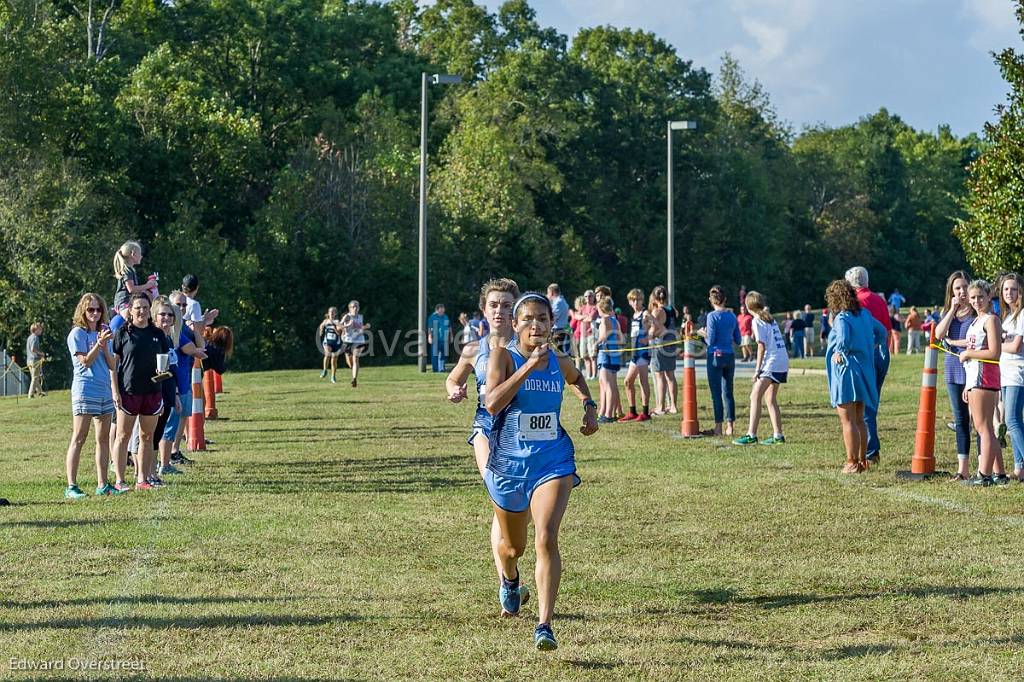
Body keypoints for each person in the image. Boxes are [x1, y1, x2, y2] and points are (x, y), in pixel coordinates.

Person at [483, 292, 599, 651]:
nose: (537, 325)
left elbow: (578, 378)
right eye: (529, 319)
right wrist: (528, 367)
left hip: (552, 458)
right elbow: (491, 402)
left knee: (546, 537)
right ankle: (511, 580)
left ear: (552, 323)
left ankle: (544, 625)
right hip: (509, 463)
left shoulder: (558, 359)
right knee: (512, 548)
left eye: (543, 319)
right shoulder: (504, 356)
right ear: (515, 325)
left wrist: (589, 406)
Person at [446, 278, 523, 602]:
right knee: (497, 494)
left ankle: (510, 569)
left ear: (516, 311)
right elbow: (453, 378)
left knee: (515, 517)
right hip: (487, 427)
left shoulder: (527, 348)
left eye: (506, 305)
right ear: (483, 309)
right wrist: (455, 390)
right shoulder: (474, 349)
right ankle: (508, 583)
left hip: (522, 433)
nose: (500, 311)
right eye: (494, 305)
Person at [110, 293, 172, 492]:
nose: (142, 311)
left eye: (145, 307)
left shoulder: (158, 334)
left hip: (152, 391)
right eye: (138, 307)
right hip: (128, 391)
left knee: (147, 436)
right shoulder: (123, 332)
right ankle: (120, 480)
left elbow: (164, 362)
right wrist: (115, 390)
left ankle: (142, 479)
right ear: (131, 309)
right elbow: (114, 365)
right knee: (123, 436)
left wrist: (162, 373)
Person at [825, 280, 886, 474]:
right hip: (865, 370)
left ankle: (851, 462)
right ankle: (862, 461)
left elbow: (842, 338)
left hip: (847, 372)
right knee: (860, 419)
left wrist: (839, 352)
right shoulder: (865, 315)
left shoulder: (842, 318)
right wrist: (871, 344)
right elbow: (882, 331)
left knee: (848, 420)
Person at [65, 294, 117, 498]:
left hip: (104, 388)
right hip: (85, 389)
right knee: (79, 437)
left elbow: (112, 365)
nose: (95, 314)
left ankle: (103, 484)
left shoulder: (104, 332)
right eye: (90, 310)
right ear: (83, 312)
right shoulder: (77, 334)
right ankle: (71, 486)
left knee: (103, 438)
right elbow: (85, 361)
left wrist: (105, 345)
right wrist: (99, 344)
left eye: (98, 310)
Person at [935, 271, 982, 482]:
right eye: (957, 288)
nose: (962, 292)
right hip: (953, 372)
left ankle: (983, 468)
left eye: (964, 287)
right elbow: (938, 334)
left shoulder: (977, 313)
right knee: (961, 421)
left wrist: (953, 343)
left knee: (980, 421)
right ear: (951, 291)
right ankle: (962, 470)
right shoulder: (949, 313)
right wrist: (952, 309)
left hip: (974, 373)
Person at [957, 280, 1004, 486]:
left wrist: (968, 353)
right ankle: (993, 474)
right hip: (975, 377)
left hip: (985, 376)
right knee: (982, 427)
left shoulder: (991, 320)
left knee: (984, 427)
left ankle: (984, 476)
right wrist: (968, 385)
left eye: (981, 297)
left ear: (988, 296)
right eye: (973, 297)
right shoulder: (976, 320)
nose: (977, 301)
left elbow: (995, 353)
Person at [845, 266, 892, 466]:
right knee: (871, 403)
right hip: (881, 353)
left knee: (864, 407)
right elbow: (887, 330)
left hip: (865, 355)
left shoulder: (855, 303)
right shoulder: (879, 300)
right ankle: (871, 449)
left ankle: (871, 451)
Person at [733, 291, 787, 445]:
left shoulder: (757, 321)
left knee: (754, 395)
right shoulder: (770, 318)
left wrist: (758, 370)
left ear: (749, 307)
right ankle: (778, 436)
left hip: (773, 362)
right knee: (770, 398)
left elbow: (761, 346)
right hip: (781, 360)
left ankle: (751, 434)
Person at [160, 295, 206, 473]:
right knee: (168, 426)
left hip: (182, 384)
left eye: (184, 305)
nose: (181, 308)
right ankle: (163, 463)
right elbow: (193, 350)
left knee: (178, 421)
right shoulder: (169, 335)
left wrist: (196, 329)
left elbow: (200, 348)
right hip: (173, 385)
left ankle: (170, 457)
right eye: (177, 305)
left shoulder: (180, 331)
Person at [700, 286, 740, 436]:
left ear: (711, 300)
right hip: (729, 355)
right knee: (728, 392)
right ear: (725, 299)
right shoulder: (732, 316)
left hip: (715, 356)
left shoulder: (712, 316)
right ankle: (730, 426)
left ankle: (718, 427)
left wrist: (701, 333)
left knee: (716, 393)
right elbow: (738, 339)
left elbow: (710, 340)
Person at [999, 273, 1024, 481]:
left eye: (1013, 289)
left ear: (1020, 291)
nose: (1009, 293)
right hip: (1005, 374)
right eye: (1006, 289)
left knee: (1012, 420)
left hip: (1018, 372)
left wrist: (994, 347)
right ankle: (1019, 468)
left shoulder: (1022, 314)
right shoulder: (1008, 316)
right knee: (1015, 420)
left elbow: (1016, 347)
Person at [619, 288, 653, 422]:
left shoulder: (644, 314)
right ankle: (632, 411)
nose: (636, 302)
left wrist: (648, 338)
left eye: (638, 299)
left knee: (643, 381)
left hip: (642, 352)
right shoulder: (634, 315)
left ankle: (645, 412)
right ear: (630, 302)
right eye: (633, 300)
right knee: (628, 382)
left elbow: (656, 325)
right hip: (634, 353)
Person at [110, 240, 157, 333]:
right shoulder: (127, 270)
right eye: (140, 254)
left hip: (129, 300)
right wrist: (147, 285)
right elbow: (131, 289)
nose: (141, 256)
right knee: (129, 317)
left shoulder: (131, 270)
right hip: (123, 301)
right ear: (132, 254)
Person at [648, 286, 678, 415]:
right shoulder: (672, 309)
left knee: (659, 376)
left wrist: (649, 334)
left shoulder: (657, 311)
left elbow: (654, 331)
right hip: (672, 342)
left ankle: (660, 407)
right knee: (671, 376)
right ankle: (673, 406)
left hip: (660, 345)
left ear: (654, 298)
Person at [595, 298, 623, 423]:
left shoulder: (605, 319)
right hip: (614, 354)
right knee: (608, 384)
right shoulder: (615, 320)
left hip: (606, 354)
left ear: (601, 309)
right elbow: (620, 337)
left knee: (607, 385)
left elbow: (603, 336)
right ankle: (606, 413)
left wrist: (595, 344)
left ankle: (609, 414)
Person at [181, 274, 219, 350]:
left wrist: (203, 318)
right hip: (186, 344)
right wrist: (205, 320)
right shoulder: (194, 304)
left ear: (182, 286)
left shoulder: (173, 298)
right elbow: (198, 331)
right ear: (197, 288)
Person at [340, 300, 370, 388]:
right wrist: (347, 325)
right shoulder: (347, 316)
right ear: (349, 308)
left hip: (359, 340)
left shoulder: (361, 316)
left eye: (357, 306)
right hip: (348, 340)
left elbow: (364, 326)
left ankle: (354, 379)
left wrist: (366, 326)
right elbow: (338, 326)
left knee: (355, 358)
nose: (355, 308)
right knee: (349, 362)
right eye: (353, 306)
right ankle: (354, 369)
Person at [575, 290, 598, 380]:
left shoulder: (595, 308)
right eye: (586, 296)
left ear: (593, 297)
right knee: (585, 356)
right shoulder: (583, 308)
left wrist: (582, 317)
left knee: (592, 356)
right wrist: (585, 317)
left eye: (590, 296)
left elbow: (591, 318)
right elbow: (576, 316)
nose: (587, 298)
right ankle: (588, 375)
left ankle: (594, 375)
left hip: (591, 334)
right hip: (583, 335)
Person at [318, 307, 343, 383]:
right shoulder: (325, 321)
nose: (331, 313)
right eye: (330, 312)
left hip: (336, 343)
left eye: (333, 312)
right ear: (328, 313)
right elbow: (321, 326)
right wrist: (321, 331)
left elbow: (339, 333)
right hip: (327, 342)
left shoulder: (337, 322)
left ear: (335, 313)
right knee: (327, 354)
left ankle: (333, 376)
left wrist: (334, 328)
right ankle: (325, 370)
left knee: (334, 360)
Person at [547, 284, 570, 355]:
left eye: (548, 293)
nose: (547, 295)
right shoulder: (563, 300)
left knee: (558, 353)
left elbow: (553, 317)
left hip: (559, 330)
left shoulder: (558, 303)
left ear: (552, 292)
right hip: (563, 329)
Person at [427, 303, 450, 372]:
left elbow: (448, 327)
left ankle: (441, 369)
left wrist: (450, 336)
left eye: (443, 311)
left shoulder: (445, 317)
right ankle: (435, 369)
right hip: (435, 338)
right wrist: (430, 337)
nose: (442, 312)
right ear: (437, 310)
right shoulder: (432, 317)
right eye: (441, 311)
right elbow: (429, 328)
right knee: (435, 355)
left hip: (444, 339)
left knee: (443, 355)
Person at [26, 322, 46, 398]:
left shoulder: (29, 337)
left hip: (29, 360)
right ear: (36, 330)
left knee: (35, 377)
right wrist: (41, 353)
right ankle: (30, 394)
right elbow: (33, 349)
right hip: (34, 360)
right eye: (40, 329)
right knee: (35, 378)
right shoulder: (35, 337)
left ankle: (40, 392)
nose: (41, 330)